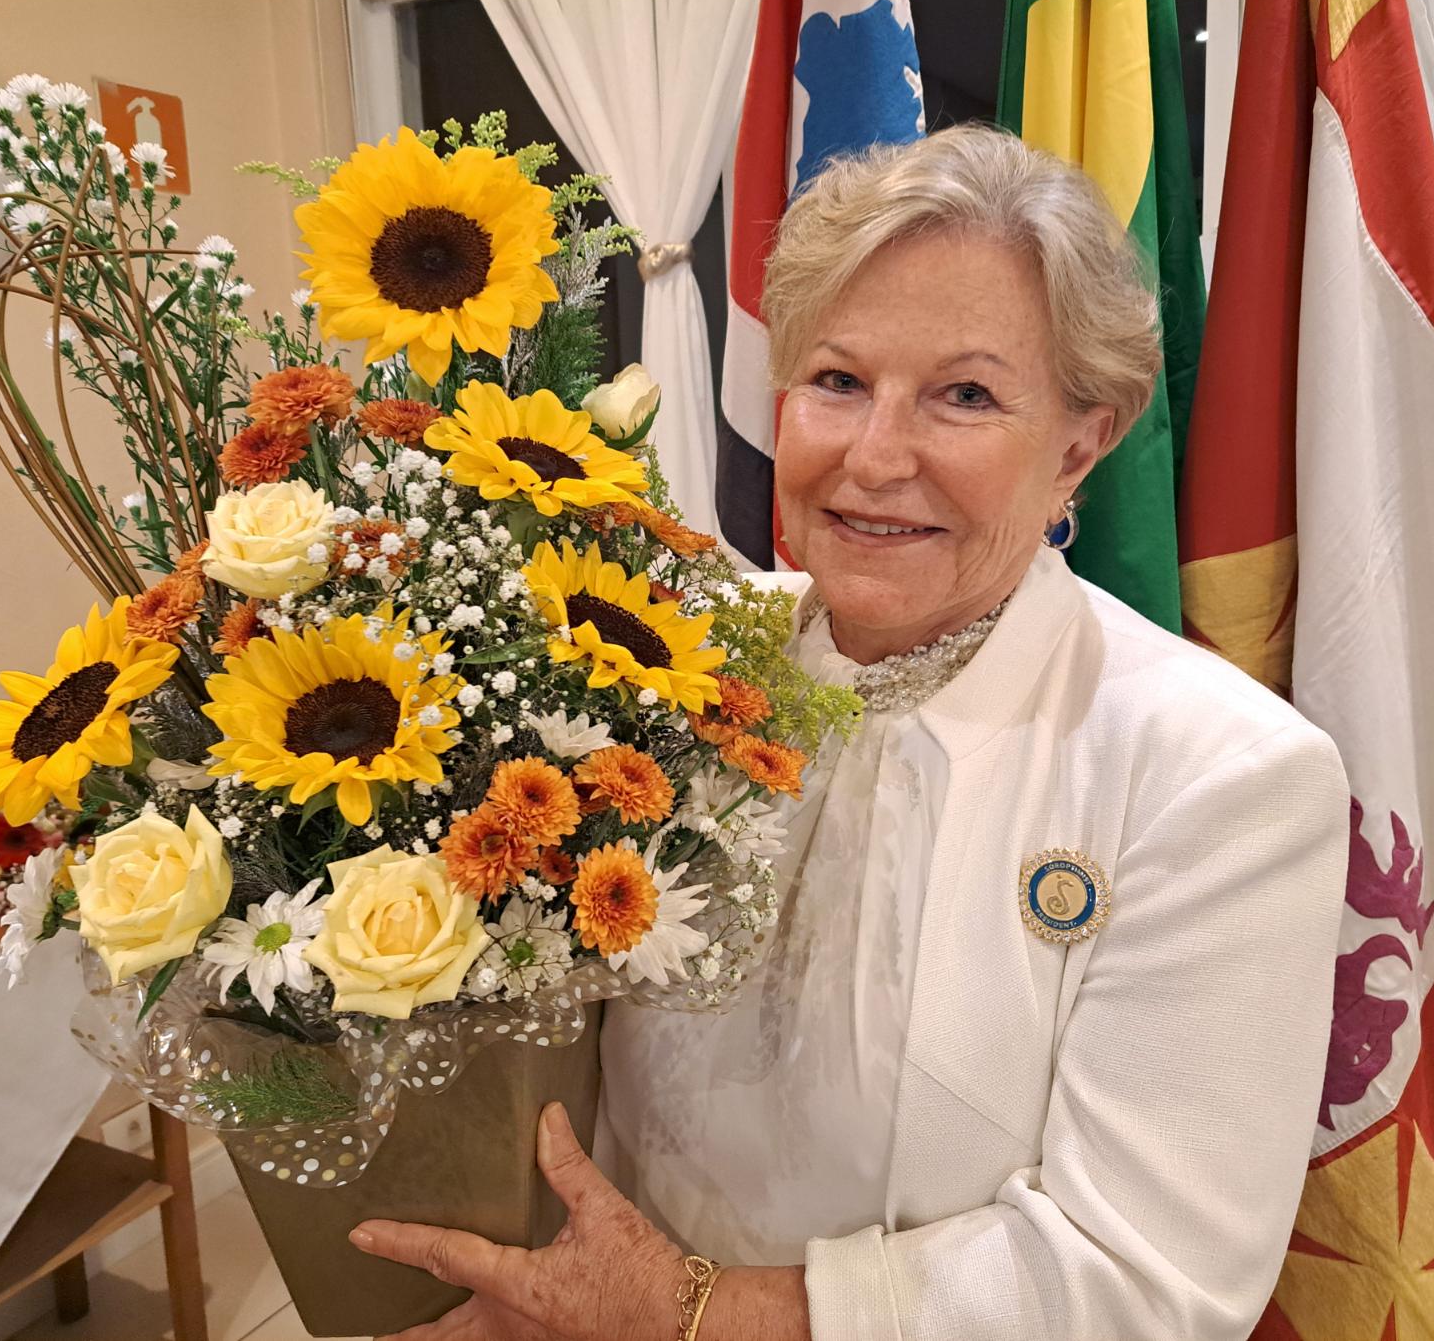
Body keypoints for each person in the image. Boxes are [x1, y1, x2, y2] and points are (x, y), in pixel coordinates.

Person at [350, 124, 1350, 1341]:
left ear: (1079, 444)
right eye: (835, 380)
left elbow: (1139, 1282)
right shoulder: (669, 665)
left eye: (964, 394)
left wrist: (686, 1314)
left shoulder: (1216, 775)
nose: (874, 458)